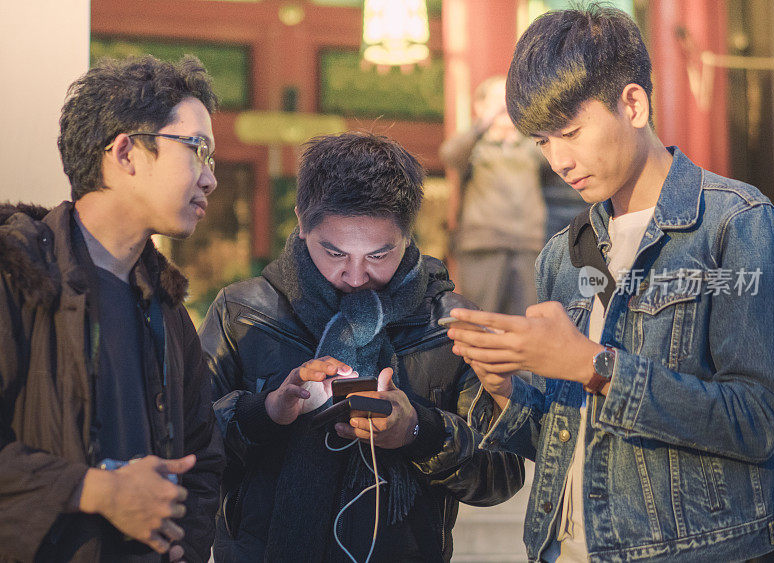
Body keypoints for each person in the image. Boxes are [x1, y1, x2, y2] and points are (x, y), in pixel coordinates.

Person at [446, 5, 774, 562]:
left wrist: (595, 365)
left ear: (632, 104)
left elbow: (754, 421)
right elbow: (560, 438)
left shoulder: (735, 222)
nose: (559, 160)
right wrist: (503, 385)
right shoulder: (560, 256)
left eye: (569, 132)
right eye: (542, 142)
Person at [199, 132, 524, 562]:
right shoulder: (244, 313)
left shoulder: (452, 325)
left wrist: (417, 431)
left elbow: (502, 474)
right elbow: (189, 448)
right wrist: (266, 412)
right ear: (301, 222)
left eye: (378, 255)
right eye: (334, 254)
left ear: (409, 234)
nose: (355, 277)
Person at [0, 55, 224, 562]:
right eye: (197, 150)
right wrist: (99, 491)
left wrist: (178, 548)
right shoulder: (18, 275)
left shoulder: (165, 305)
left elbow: (203, 460)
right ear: (126, 152)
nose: (209, 178)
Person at [440, 75, 548, 315]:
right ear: (480, 106)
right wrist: (484, 124)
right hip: (483, 246)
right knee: (481, 318)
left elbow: (555, 160)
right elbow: (449, 154)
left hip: (528, 245)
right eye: (498, 100)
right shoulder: (474, 145)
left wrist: (524, 123)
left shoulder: (529, 144)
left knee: (526, 321)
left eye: (509, 99)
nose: (504, 106)